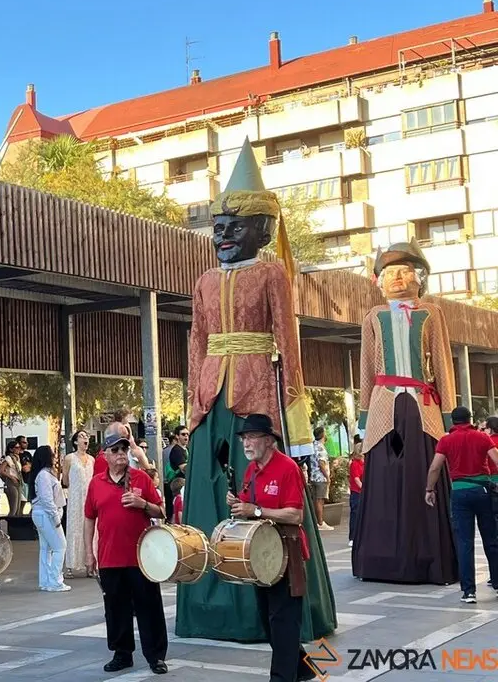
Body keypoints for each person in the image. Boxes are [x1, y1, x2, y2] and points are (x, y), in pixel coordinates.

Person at [176, 140, 337, 643]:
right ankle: (207, 605)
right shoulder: (203, 282)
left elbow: (288, 342)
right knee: (204, 490)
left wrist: (295, 410)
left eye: (237, 226)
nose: (224, 236)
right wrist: (192, 403)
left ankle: (268, 608)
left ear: (263, 230)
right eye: (219, 228)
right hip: (210, 394)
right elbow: (196, 342)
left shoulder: (272, 273)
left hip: (256, 389)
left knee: (261, 485)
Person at [353, 240, 459, 585]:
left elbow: (442, 364)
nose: (397, 277)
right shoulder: (373, 316)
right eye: (389, 272)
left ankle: (429, 559)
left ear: (419, 276)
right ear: (378, 281)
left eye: (404, 270)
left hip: (422, 405)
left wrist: (448, 420)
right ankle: (381, 560)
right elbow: (367, 369)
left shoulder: (431, 313)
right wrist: (365, 421)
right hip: (385, 403)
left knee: (423, 473)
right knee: (383, 479)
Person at [224, 415, 317, 682]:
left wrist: (256, 510)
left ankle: (281, 677)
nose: (246, 443)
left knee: (283, 622)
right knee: (269, 620)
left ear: (269, 441)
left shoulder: (287, 468)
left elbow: (296, 515)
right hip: (261, 554)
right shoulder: (250, 470)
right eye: (244, 438)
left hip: (286, 554)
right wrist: (237, 503)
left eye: (252, 437)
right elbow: (247, 507)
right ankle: (303, 669)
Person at [84, 429, 168, 676]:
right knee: (115, 608)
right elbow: (89, 518)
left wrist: (143, 505)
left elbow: (161, 511)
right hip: (110, 557)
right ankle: (122, 654)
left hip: (141, 557)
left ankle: (156, 656)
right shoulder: (96, 483)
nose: (121, 454)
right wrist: (89, 553)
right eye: (115, 450)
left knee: (148, 606)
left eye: (124, 449)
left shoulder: (141, 479)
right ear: (106, 455)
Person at [424, 406, 498, 603]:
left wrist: (429, 490)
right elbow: (496, 459)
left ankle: (469, 592)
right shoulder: (482, 437)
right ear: (470, 419)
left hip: (459, 493)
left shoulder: (446, 440)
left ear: (452, 422)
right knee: (491, 539)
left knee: (465, 543)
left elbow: (435, 468)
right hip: (482, 491)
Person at [29, 446, 69, 592]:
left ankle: (46, 580)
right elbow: (47, 499)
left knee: (46, 548)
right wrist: (56, 518)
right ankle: (55, 580)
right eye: (52, 455)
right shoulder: (44, 476)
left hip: (42, 514)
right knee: (60, 546)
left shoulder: (43, 474)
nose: (55, 457)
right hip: (46, 515)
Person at [62, 430, 94, 578]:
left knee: (89, 529)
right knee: (74, 528)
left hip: (89, 498)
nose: (85, 439)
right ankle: (70, 565)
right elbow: (65, 480)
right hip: (75, 498)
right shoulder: (69, 458)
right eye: (81, 436)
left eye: (86, 436)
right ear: (75, 442)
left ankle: (89, 564)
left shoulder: (91, 460)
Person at [310, 427, 332, 531]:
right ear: (323, 434)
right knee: (320, 500)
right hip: (320, 477)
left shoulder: (313, 445)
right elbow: (321, 463)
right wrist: (327, 477)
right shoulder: (320, 447)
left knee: (316, 500)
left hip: (314, 476)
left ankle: (318, 521)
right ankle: (320, 522)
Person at [348, 444, 364, 548]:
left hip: (361, 492)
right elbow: (356, 479)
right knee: (355, 515)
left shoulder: (364, 463)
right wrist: (364, 489)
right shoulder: (355, 464)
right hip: (357, 493)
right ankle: (352, 537)